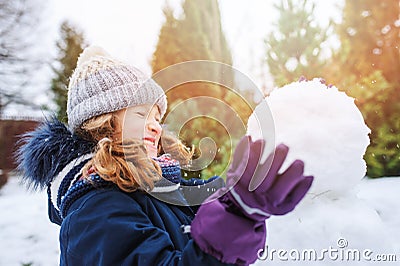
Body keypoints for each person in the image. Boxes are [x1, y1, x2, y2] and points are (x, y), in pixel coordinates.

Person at [17, 46, 313, 265]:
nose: (156, 127)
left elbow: (220, 195)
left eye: (158, 116)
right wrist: (239, 214)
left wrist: (287, 121)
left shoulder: (165, 181)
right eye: (141, 113)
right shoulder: (93, 210)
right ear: (102, 122)